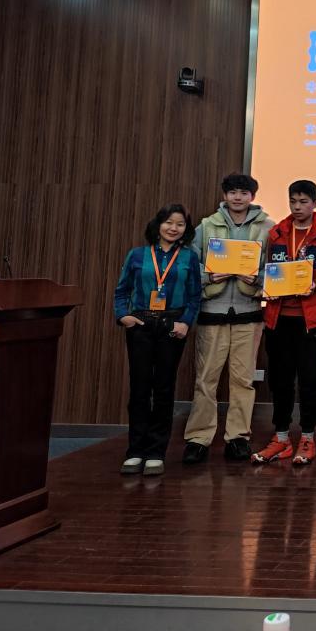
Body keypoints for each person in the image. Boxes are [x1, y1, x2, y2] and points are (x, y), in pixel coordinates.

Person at [183, 172, 274, 464]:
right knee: (206, 379)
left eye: (244, 193)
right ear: (224, 195)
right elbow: (188, 263)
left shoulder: (268, 228)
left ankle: (238, 438)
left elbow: (277, 269)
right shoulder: (207, 225)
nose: (238, 197)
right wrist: (209, 276)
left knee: (243, 380)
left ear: (252, 197)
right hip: (212, 311)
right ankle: (198, 438)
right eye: (233, 192)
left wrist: (257, 277)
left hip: (249, 312)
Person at [252, 180, 316, 465]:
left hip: (310, 320)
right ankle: (281, 437)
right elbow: (268, 269)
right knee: (280, 380)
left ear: (315, 203)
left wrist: (315, 284)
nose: (298, 207)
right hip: (278, 318)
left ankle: (308, 437)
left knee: (310, 380)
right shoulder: (278, 232)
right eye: (293, 201)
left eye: (304, 202)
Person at [113, 204, 201, 476]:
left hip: (172, 326)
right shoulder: (137, 254)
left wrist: (186, 322)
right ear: (158, 224)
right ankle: (135, 451)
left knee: (164, 389)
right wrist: (123, 316)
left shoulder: (189, 257)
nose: (173, 228)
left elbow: (195, 295)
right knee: (139, 388)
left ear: (186, 229)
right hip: (140, 324)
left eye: (180, 224)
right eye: (169, 222)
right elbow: (121, 291)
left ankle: (155, 452)